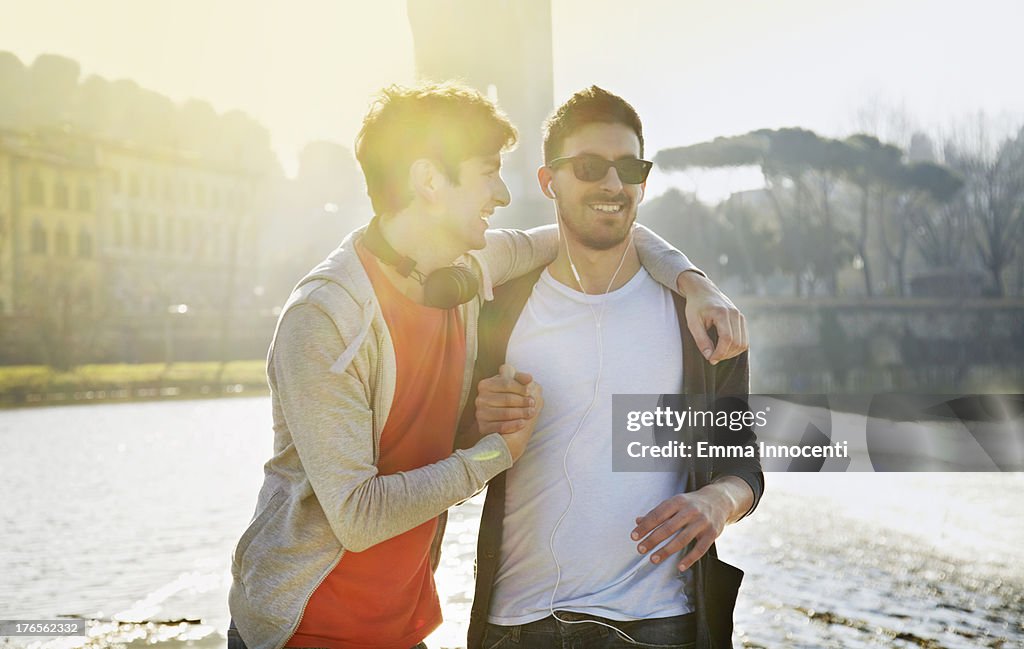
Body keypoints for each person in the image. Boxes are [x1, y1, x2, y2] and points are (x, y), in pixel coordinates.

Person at [227, 82, 747, 649]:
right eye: (487, 172)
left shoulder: (470, 273)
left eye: (628, 168)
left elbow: (601, 220)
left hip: (402, 626)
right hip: (304, 627)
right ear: (430, 181)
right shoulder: (325, 316)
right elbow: (356, 516)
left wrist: (691, 281)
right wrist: (495, 450)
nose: (501, 194)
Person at [461, 87, 764, 649]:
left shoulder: (701, 319)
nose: (611, 183)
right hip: (518, 624)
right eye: (589, 167)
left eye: (628, 167)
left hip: (661, 625)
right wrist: (479, 423)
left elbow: (743, 464)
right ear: (548, 181)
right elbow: (451, 454)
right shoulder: (497, 306)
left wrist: (716, 502)